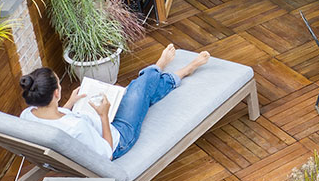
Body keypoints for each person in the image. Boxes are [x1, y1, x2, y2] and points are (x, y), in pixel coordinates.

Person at [18, 44, 210, 160]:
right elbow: (107, 153)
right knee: (139, 89)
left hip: (94, 120)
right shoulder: (76, 127)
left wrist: (69, 103)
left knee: (138, 95)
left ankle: (163, 73)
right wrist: (103, 115)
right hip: (119, 137)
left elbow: (55, 120)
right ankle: (169, 69)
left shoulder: (27, 116)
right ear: (56, 93)